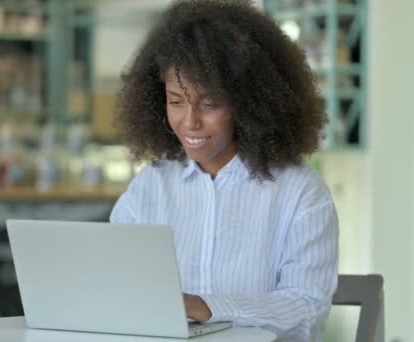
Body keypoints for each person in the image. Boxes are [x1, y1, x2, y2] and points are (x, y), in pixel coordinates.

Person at [109, 1, 338, 341]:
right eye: (175, 101)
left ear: (249, 103)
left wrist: (210, 306)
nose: (190, 121)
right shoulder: (149, 188)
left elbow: (308, 305)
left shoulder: (300, 192)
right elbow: (115, 287)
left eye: (210, 104)